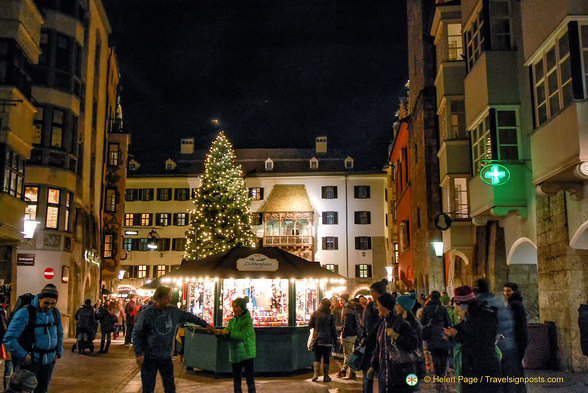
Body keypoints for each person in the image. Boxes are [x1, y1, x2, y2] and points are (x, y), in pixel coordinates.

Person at [133, 286, 214, 393]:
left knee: (170, 387)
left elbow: (189, 317)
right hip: (149, 357)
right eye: (166, 298)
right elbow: (137, 333)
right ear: (158, 298)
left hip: (165, 356)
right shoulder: (147, 313)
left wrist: (206, 325)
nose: (169, 300)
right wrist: (139, 354)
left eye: (170, 297)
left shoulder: (173, 312)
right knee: (148, 387)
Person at [3, 284, 63, 393]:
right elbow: (9, 338)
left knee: (42, 390)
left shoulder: (55, 313)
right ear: (39, 299)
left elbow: (59, 333)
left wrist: (58, 352)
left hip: (48, 363)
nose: (49, 306)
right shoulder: (25, 313)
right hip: (30, 364)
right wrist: (24, 355)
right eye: (46, 303)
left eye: (53, 304)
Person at [444, 286, 502, 393]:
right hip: (474, 367)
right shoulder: (472, 314)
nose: (459, 308)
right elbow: (463, 328)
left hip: (483, 369)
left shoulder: (483, 315)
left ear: (464, 302)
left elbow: (480, 342)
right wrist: (452, 332)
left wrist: (457, 335)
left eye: (459, 304)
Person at [368, 292, 418, 393]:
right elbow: (379, 348)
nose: (377, 308)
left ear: (385, 307)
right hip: (385, 375)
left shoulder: (401, 323)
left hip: (400, 374)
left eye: (379, 305)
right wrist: (373, 366)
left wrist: (396, 336)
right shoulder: (382, 324)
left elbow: (413, 343)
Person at [474, 278, 515, 393]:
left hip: (492, 348)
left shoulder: (479, 305)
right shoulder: (498, 302)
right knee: (506, 379)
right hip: (506, 345)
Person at [215, 297, 256, 393]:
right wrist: (221, 334)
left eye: (236, 308)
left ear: (241, 308)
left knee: (249, 380)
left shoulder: (247, 321)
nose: (234, 311)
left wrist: (227, 333)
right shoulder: (232, 321)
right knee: (236, 381)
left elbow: (243, 336)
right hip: (235, 354)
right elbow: (228, 332)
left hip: (246, 353)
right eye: (233, 308)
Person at [360, 278, 387, 393]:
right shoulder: (370, 307)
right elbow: (366, 326)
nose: (371, 295)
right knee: (369, 375)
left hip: (378, 344)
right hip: (371, 344)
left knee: (379, 374)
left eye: (372, 292)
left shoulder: (382, 307)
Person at [421, 291, 451, 386]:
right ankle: (442, 374)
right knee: (443, 354)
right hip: (442, 333)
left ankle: (438, 375)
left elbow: (422, 322)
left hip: (431, 334)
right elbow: (448, 322)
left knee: (435, 355)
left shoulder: (426, 308)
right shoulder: (443, 308)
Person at [504, 282, 529, 393]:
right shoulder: (515, 303)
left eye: (509, 291)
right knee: (517, 367)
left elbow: (512, 324)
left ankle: (519, 390)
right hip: (520, 339)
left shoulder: (514, 305)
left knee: (515, 367)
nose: (506, 293)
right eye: (505, 291)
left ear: (514, 291)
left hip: (517, 340)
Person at [396, 293, 426, 380]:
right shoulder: (402, 320)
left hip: (412, 362)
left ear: (404, 306)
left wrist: (396, 336)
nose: (395, 307)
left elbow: (412, 343)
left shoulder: (411, 323)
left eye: (397, 305)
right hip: (407, 361)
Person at [309, 298, 336, 383]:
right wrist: (335, 340)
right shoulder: (330, 316)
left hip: (317, 339)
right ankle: (326, 376)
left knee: (317, 357)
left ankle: (315, 375)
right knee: (326, 358)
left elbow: (310, 325)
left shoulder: (315, 314)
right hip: (327, 340)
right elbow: (333, 329)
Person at [336, 293, 359, 379]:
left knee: (348, 354)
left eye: (341, 300)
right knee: (348, 354)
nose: (340, 301)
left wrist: (343, 334)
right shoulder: (351, 308)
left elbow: (346, 324)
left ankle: (352, 373)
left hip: (349, 334)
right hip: (353, 334)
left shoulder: (347, 310)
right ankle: (343, 370)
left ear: (344, 300)